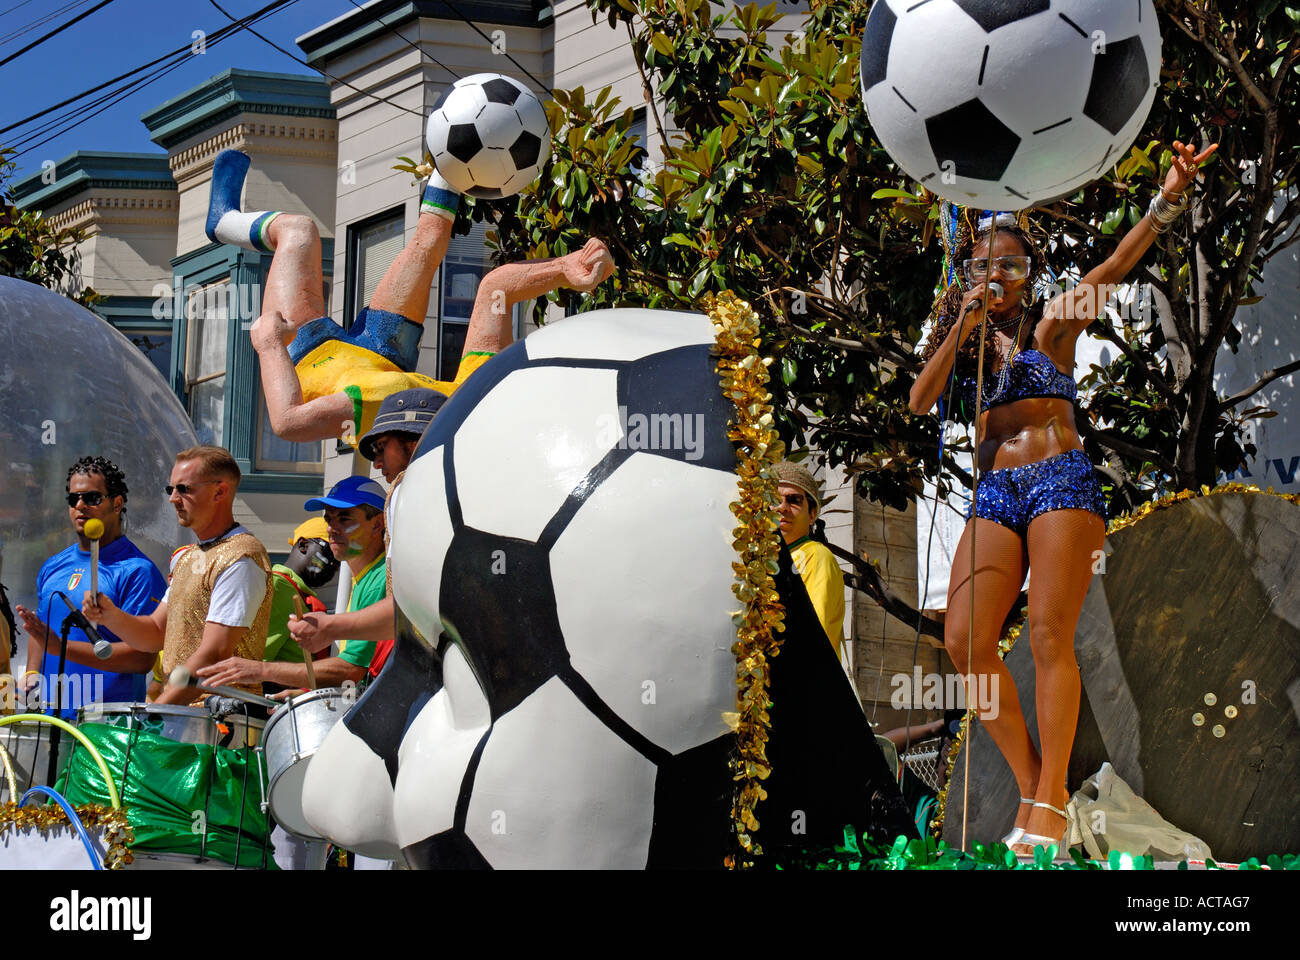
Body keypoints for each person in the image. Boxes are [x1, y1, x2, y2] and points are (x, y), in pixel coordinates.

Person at [908, 140, 1217, 854]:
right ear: (968, 275)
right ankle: (1035, 780)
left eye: (1011, 265)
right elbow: (921, 401)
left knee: (1048, 632)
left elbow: (1111, 270)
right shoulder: (970, 347)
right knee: (963, 643)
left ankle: (1047, 807)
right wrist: (962, 325)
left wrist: (1167, 202)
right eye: (984, 265)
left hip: (1059, 484)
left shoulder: (1053, 328)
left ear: (1029, 274)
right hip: (996, 495)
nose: (999, 275)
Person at [203, 149, 615, 445]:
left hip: (308, 353)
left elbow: (288, 422)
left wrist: (269, 345)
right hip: (385, 350)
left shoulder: (389, 410)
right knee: (432, 237)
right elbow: (497, 288)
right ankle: (454, 150)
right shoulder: (478, 388)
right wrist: (565, 267)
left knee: (298, 231)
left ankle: (224, 221)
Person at [82, 446, 274, 705]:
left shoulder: (242, 557)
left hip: (220, 725)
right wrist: (111, 616)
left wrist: (157, 711)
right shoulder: (188, 557)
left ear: (220, 491)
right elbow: (155, 633)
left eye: (184, 489)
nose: (173, 498)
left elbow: (214, 655)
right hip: (184, 716)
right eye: (170, 489)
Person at [287, 389, 444, 668]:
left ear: (415, 440)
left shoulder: (409, 496)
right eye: (329, 518)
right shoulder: (426, 494)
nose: (376, 462)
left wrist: (329, 626)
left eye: (382, 446)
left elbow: (409, 611)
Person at [197, 477, 390, 693]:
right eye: (329, 519)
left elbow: (352, 672)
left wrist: (261, 670)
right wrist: (305, 693)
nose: (332, 529)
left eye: (344, 519)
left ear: (377, 524)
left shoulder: (379, 579)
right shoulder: (367, 578)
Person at [14, 457, 166, 717]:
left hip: (106, 727)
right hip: (49, 721)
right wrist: (31, 674)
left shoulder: (139, 571)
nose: (80, 506)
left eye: (92, 498)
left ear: (117, 504)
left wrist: (60, 647)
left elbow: (141, 659)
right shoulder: (53, 565)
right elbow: (42, 635)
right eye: (74, 499)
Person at [772, 460, 845, 660]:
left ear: (812, 514)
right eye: (774, 499)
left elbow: (812, 632)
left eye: (793, 500)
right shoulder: (762, 561)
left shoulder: (816, 556)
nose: (782, 507)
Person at [260, 517, 338, 693]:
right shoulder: (278, 587)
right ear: (303, 545)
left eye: (339, 561)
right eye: (329, 554)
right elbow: (255, 658)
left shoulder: (296, 592)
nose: (333, 565)